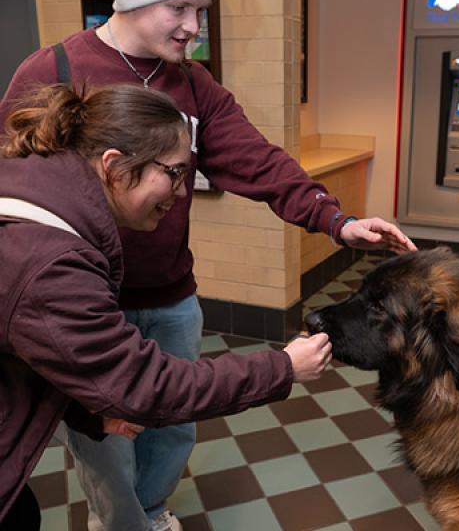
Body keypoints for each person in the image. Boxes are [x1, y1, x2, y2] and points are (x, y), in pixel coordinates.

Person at [0, 0, 416, 529]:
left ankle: (149, 509)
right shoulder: (55, 68)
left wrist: (337, 220)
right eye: (180, 8)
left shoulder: (193, 82)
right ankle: (119, 523)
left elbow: (256, 159)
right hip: (85, 298)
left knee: (170, 426)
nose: (193, 26)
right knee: (106, 439)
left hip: (170, 295)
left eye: (201, 11)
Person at [0, 83, 332, 530]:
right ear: (115, 166)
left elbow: (35, 347)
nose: (180, 193)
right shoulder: (51, 262)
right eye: (174, 173)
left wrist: (87, 410)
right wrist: (284, 367)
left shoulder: (36, 193)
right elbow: (147, 385)